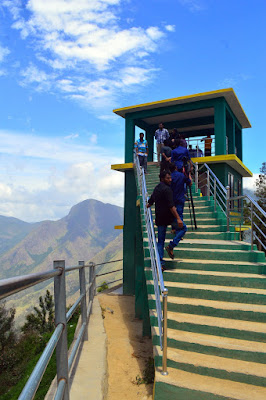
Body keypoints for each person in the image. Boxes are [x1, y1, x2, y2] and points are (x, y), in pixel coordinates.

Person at [147, 170, 185, 270]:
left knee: (160, 242)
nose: (170, 180)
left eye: (170, 177)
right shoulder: (167, 189)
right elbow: (171, 206)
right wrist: (178, 218)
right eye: (168, 178)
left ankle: (160, 264)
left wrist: (146, 205)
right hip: (169, 218)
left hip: (160, 218)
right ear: (162, 178)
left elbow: (150, 202)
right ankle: (171, 245)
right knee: (183, 229)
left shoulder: (156, 189)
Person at [169, 163, 192, 233]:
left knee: (173, 214)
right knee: (179, 214)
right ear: (176, 167)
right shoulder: (181, 175)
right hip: (180, 197)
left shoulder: (169, 177)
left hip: (171, 198)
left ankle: (174, 228)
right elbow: (189, 183)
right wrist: (189, 174)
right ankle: (179, 231)